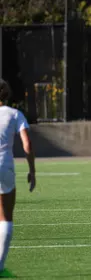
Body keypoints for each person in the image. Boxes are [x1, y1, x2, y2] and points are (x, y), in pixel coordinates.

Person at [0, 79, 36, 276]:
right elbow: (27, 144)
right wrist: (32, 171)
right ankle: (0, 266)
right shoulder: (15, 115)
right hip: (4, 167)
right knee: (5, 216)